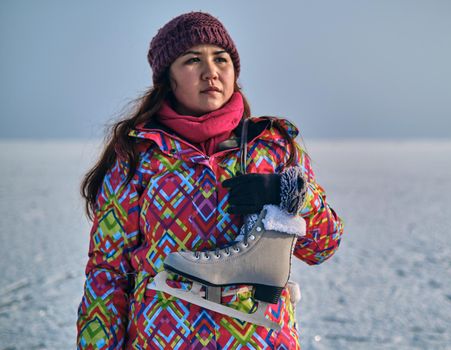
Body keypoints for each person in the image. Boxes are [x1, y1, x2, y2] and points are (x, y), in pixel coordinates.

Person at [76, 11, 344, 349]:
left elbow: (324, 245)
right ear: (166, 78)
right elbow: (108, 272)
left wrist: (289, 195)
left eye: (221, 59)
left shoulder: (273, 146)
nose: (211, 72)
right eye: (192, 60)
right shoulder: (137, 156)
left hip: (259, 339)